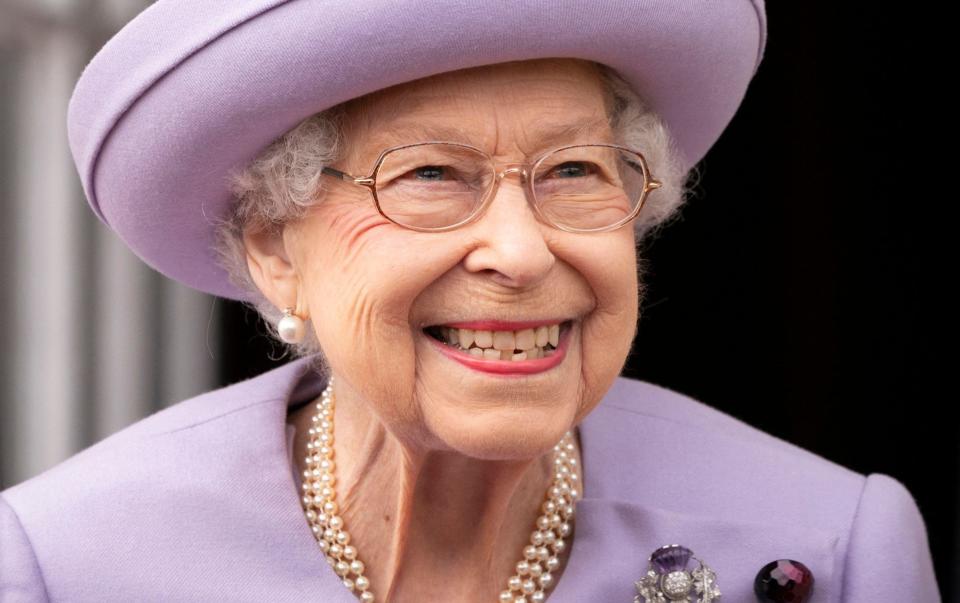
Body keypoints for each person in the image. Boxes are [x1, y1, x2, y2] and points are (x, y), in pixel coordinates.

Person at [0, 1, 940, 601]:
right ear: (276, 246)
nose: (522, 251)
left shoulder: (830, 542)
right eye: (430, 176)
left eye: (575, 169)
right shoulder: (62, 562)